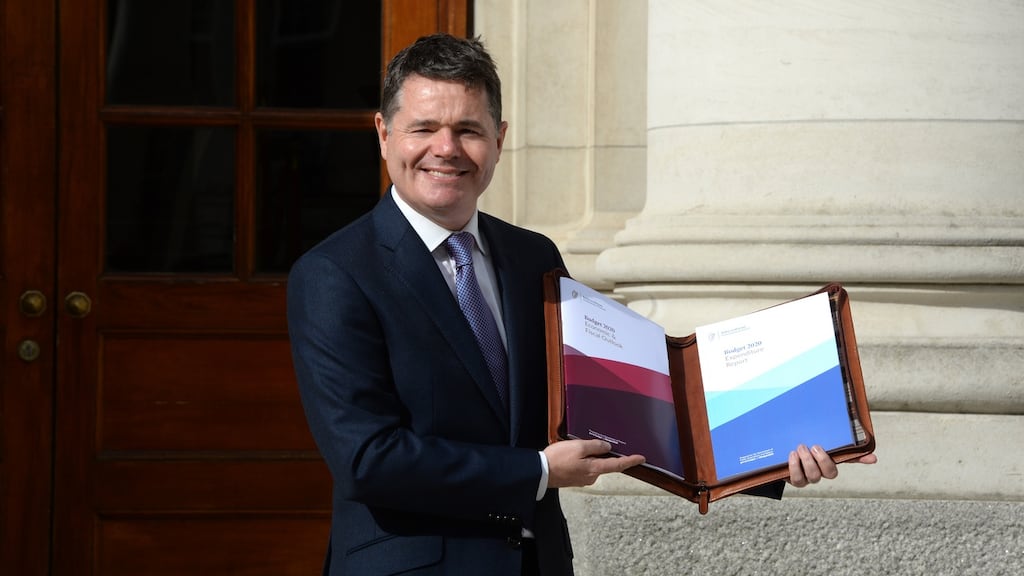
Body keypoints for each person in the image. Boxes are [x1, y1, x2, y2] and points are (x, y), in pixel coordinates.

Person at [288, 33, 874, 576]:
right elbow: (367, 459)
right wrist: (540, 471)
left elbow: (617, 403)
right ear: (384, 134)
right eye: (424, 128)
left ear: (499, 139)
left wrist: (767, 453)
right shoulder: (335, 274)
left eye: (468, 129)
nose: (446, 148)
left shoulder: (531, 257)